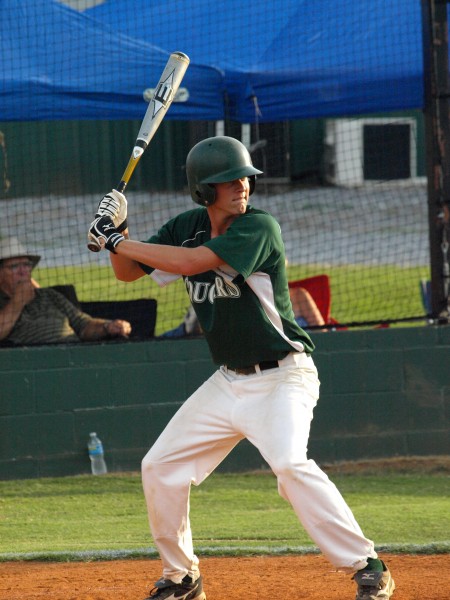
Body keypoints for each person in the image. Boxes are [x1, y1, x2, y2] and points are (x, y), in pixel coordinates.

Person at [88, 136, 395, 600]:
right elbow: (128, 272)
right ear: (203, 190)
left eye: (244, 178)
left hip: (284, 376)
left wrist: (117, 239)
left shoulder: (259, 228)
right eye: (228, 181)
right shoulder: (188, 226)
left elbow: (194, 263)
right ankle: (181, 577)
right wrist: (119, 232)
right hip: (228, 381)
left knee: (290, 465)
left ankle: (368, 565)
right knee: (160, 466)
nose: (242, 186)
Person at [0, 237, 131, 345]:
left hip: (72, 354)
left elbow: (83, 324)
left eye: (26, 265)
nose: (23, 271)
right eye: (14, 267)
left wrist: (107, 327)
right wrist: (17, 302)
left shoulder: (48, 295)